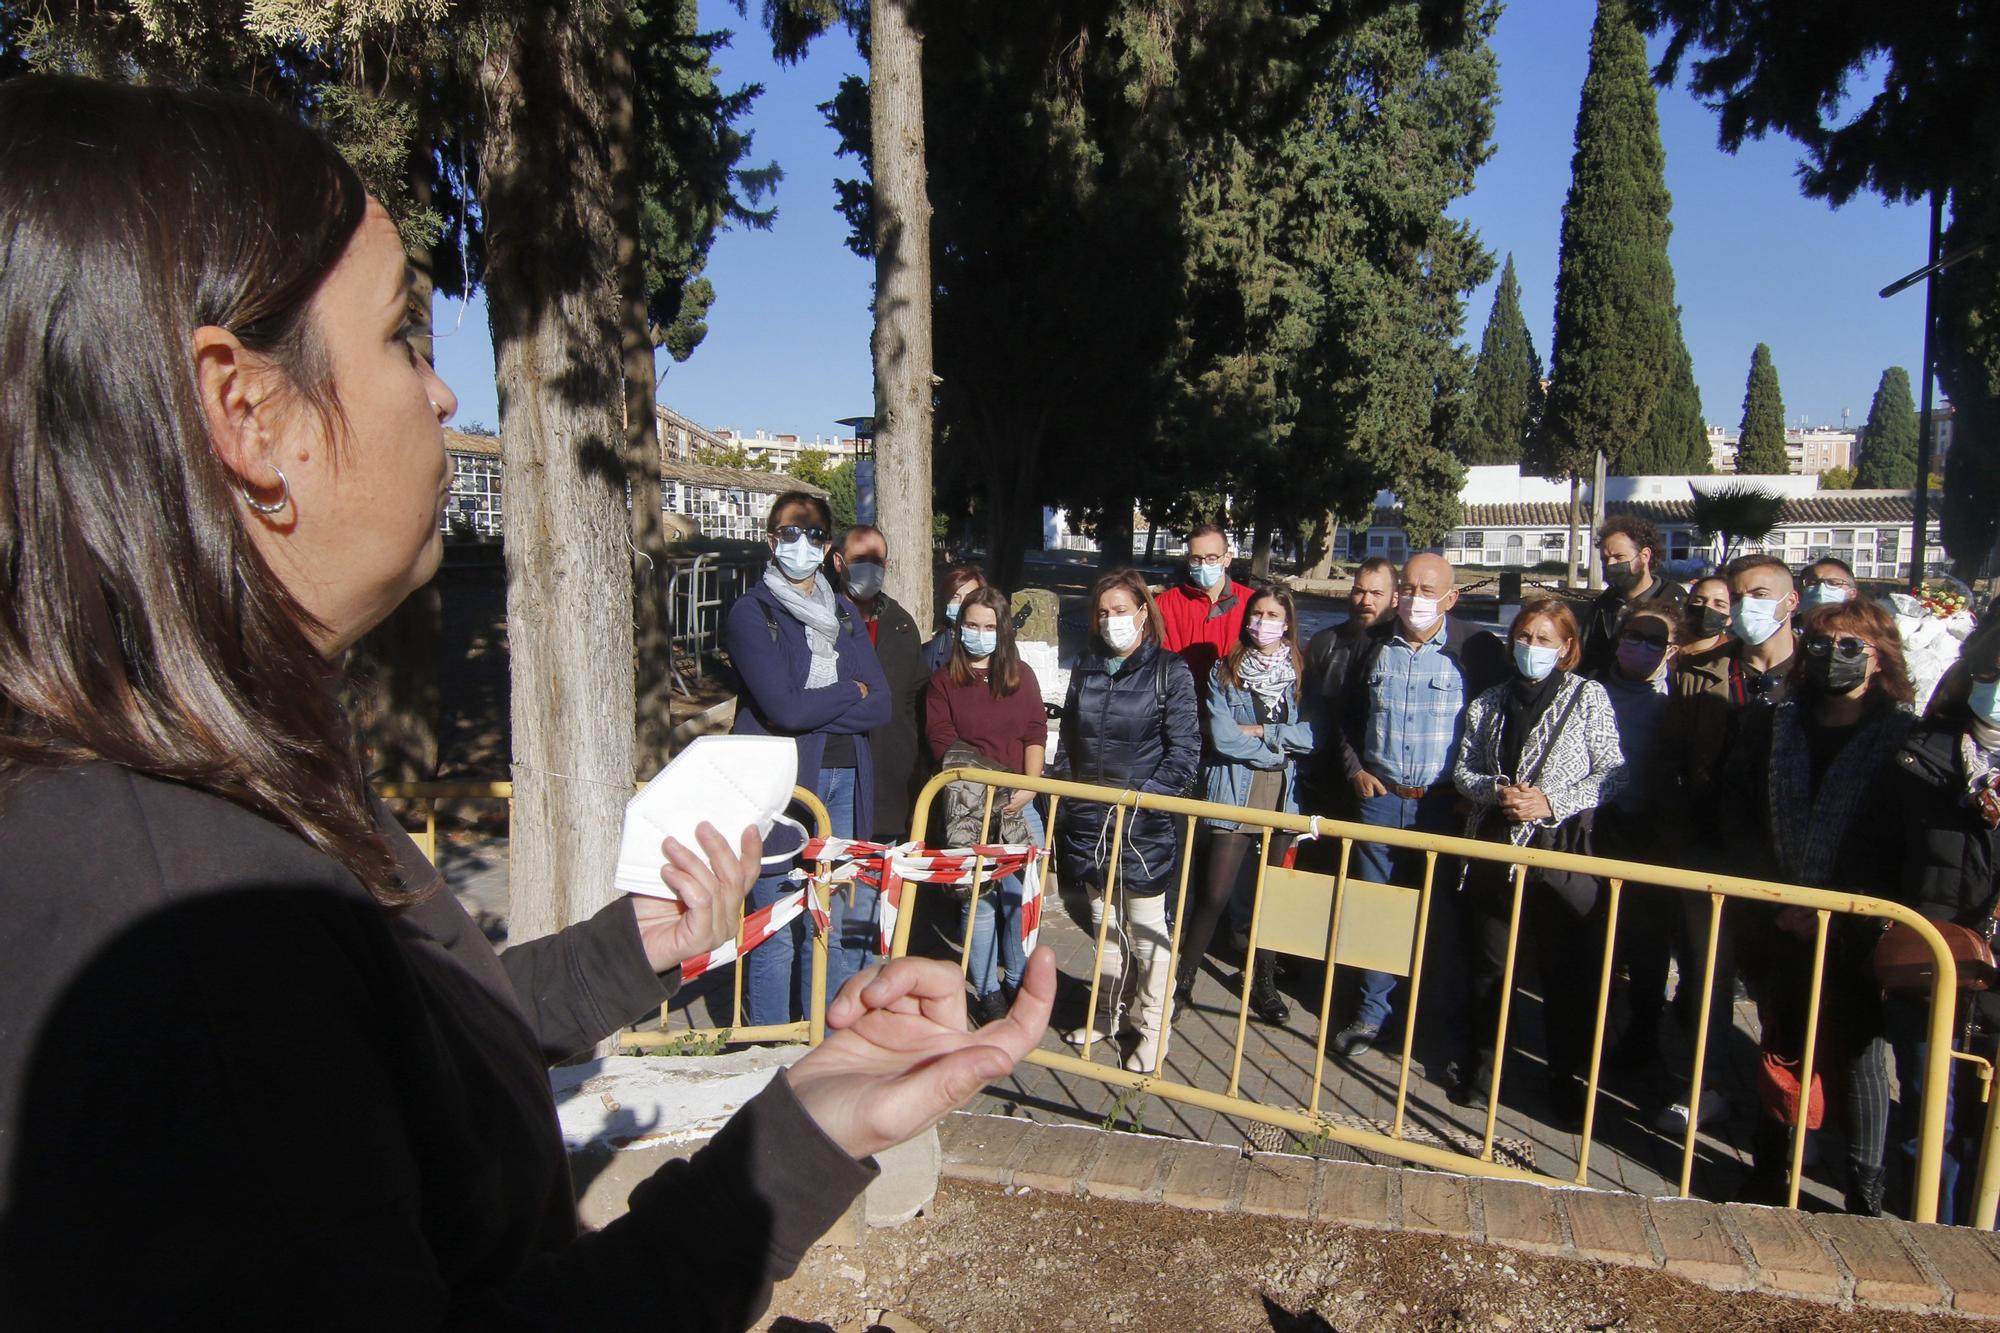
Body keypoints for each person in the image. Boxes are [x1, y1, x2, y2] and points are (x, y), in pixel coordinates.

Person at [0, 75, 1054, 1328]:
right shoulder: (183, 931)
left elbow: (391, 1053)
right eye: (403, 336)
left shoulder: (207, 791)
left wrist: (700, 1016)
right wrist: (777, 1166)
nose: (444, 396)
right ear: (248, 411)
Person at [1713, 597, 1916, 1213]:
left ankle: (1865, 1186)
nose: (1832, 658)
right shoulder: (1776, 724)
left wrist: (1843, 908)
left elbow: (1898, 837)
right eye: (1822, 644)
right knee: (1783, 1044)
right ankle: (1772, 1166)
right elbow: (1739, 814)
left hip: (1859, 924)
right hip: (1780, 916)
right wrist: (1778, 899)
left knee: (1859, 1058)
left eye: (1850, 646)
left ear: (1880, 657)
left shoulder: (1903, 737)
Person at [1450, 599, 1626, 1124]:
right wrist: (1496, 790)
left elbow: (1613, 771)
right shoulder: (1490, 701)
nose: (1532, 648)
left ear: (1568, 647)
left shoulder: (1588, 697)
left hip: (1560, 853)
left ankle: (1564, 1078)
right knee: (1491, 966)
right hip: (1495, 851)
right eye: (1525, 637)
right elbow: (1464, 769)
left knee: (1564, 974)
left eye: (1545, 640)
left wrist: (1551, 801)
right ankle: (1483, 1069)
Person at [1329, 552, 1505, 1058]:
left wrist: (1472, 794)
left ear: (1451, 597)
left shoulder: (1477, 651)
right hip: (1382, 802)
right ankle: (1371, 1013)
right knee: (1375, 913)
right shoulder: (1372, 646)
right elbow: (1347, 717)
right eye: (1407, 587)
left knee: (1443, 918)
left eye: (1427, 591)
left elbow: (1496, 727)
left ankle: (1436, 1026)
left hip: (1443, 807)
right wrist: (1355, 769)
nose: (1414, 598)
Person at [727, 494, 891, 1025]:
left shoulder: (842, 611)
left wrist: (818, 706)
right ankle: (768, 1050)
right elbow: (783, 708)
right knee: (775, 925)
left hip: (846, 776)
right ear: (771, 539)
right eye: (790, 533)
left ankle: (822, 1038)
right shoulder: (752, 613)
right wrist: (850, 692)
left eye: (815, 534)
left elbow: (881, 703)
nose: (803, 544)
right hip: (785, 787)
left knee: (830, 925)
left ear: (827, 545)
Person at [1057, 569, 1202, 1073]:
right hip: (1087, 819)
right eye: (1102, 612)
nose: (1111, 620)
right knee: (1105, 930)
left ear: (1143, 611)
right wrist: (1063, 792)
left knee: (1146, 934)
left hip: (1142, 826)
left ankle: (1155, 1029)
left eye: (1121, 610)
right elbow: (1068, 740)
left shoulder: (1171, 671)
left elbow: (1184, 754)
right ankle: (1106, 1015)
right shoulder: (1087, 666)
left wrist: (1146, 800)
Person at [1882, 617, 2000, 1224]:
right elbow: (1883, 851)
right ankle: (1927, 1239)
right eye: (1991, 673)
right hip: (1932, 963)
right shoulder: (1919, 756)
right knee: (1930, 1117)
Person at [1179, 587, 1318, 1025]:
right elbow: (1223, 737)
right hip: (1233, 790)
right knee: (1215, 893)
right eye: (1257, 613)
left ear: (1287, 621)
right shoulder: (1225, 669)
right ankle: (1182, 978)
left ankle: (1263, 980)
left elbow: (1313, 736)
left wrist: (1262, 732)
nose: (1263, 622)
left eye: (1273, 614)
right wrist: (1278, 747)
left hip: (1283, 795)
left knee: (1269, 897)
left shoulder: (1302, 672)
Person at [926, 586, 1049, 1024]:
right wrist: (994, 786)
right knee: (979, 904)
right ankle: (988, 991)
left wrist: (1030, 786)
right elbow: (944, 742)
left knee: (1018, 900)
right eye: (972, 625)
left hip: (1019, 806)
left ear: (1003, 630)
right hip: (970, 812)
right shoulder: (943, 681)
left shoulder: (1021, 675)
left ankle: (1018, 979)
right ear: (959, 628)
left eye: (990, 626)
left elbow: (1036, 731)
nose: (980, 634)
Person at [1593, 607, 1683, 1069]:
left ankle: (1642, 1042)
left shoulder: (1680, 698)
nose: (1641, 645)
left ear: (1671, 650)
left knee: (1648, 952)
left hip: (1654, 839)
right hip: (1598, 833)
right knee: (1595, 945)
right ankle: (1590, 1039)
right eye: (1633, 634)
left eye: (1654, 639)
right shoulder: (1590, 691)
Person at [831, 524, 929, 841]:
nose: (870, 568)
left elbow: (914, 704)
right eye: (860, 558)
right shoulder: (818, 619)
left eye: (877, 560)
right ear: (838, 562)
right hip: (833, 776)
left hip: (889, 787)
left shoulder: (900, 624)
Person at [1298, 557, 1398, 818]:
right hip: (1327, 775)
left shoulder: (1403, 650)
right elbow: (1308, 707)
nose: (1366, 601)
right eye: (1359, 591)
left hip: (1385, 783)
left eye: (1377, 593)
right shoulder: (1324, 643)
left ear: (1395, 599)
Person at [1578, 516, 1686, 678]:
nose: (1610, 565)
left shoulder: (1677, 602)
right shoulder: (1602, 606)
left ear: (1645, 555)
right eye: (1605, 559)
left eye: (1619, 557)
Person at [1157, 523, 1254, 692]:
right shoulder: (1164, 604)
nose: (1203, 565)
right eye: (1196, 558)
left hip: (1233, 707)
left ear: (1227, 559)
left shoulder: (1251, 603)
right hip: (1181, 703)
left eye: (1211, 558)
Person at [925, 563, 988, 672]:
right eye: (955, 596)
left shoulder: (1000, 646)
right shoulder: (929, 652)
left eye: (970, 596)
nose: (962, 602)